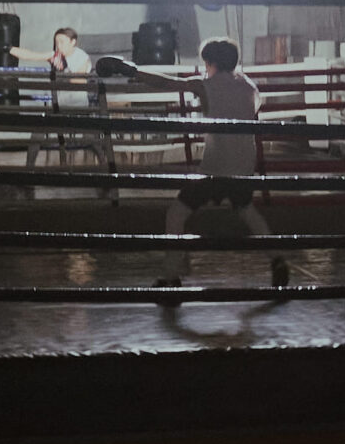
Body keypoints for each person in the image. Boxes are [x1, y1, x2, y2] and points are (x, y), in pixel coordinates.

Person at [102, 38, 289, 290]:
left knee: (176, 213)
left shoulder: (206, 85)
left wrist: (131, 71)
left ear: (210, 62)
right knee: (246, 210)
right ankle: (277, 259)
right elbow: (249, 110)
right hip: (245, 163)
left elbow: (168, 83)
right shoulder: (249, 86)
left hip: (216, 166)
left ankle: (171, 275)